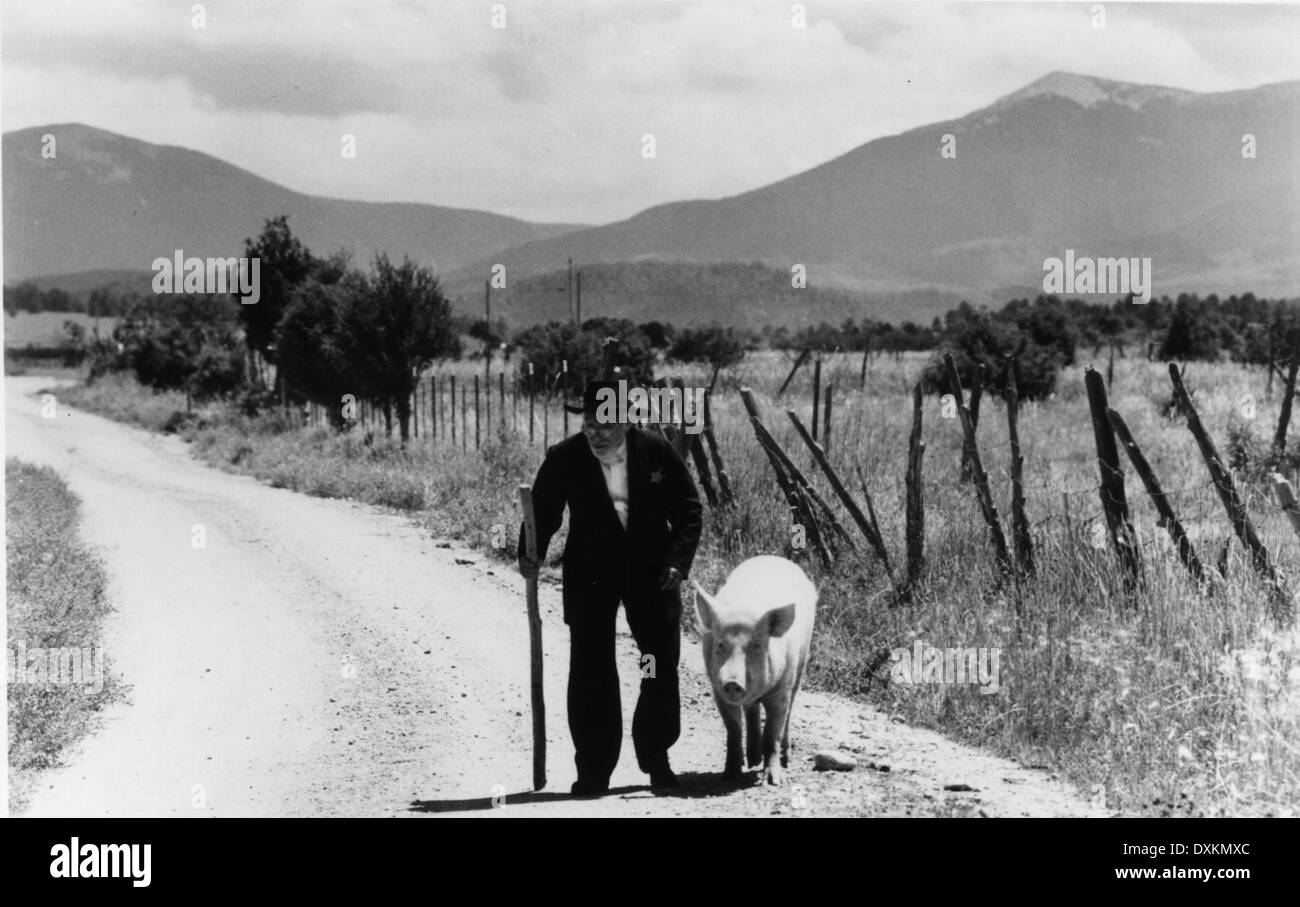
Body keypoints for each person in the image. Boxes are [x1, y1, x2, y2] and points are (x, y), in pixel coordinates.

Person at [518, 379, 702, 795]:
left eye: (606, 424)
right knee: (592, 666)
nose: (596, 432)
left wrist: (678, 561)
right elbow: (543, 513)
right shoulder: (564, 457)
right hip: (591, 573)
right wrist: (530, 553)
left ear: (626, 419)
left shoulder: (654, 451)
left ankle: (656, 759)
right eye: (589, 423)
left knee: (655, 662)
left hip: (651, 571)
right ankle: (594, 770)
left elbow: (689, 510)